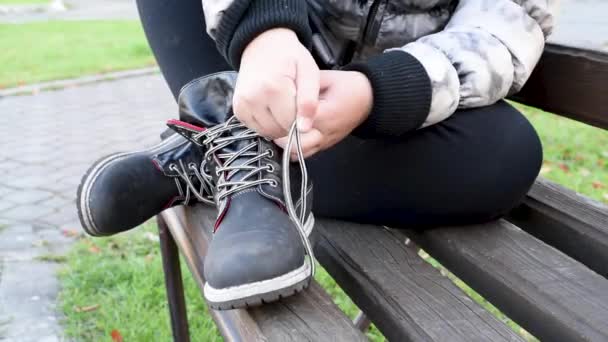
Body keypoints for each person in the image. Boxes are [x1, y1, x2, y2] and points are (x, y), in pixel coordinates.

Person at [76, 0, 557, 310]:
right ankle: (243, 164)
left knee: (504, 153)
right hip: (255, 57)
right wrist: (265, 29)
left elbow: (504, 30)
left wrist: (377, 91)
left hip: (377, 102)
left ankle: (213, 154)